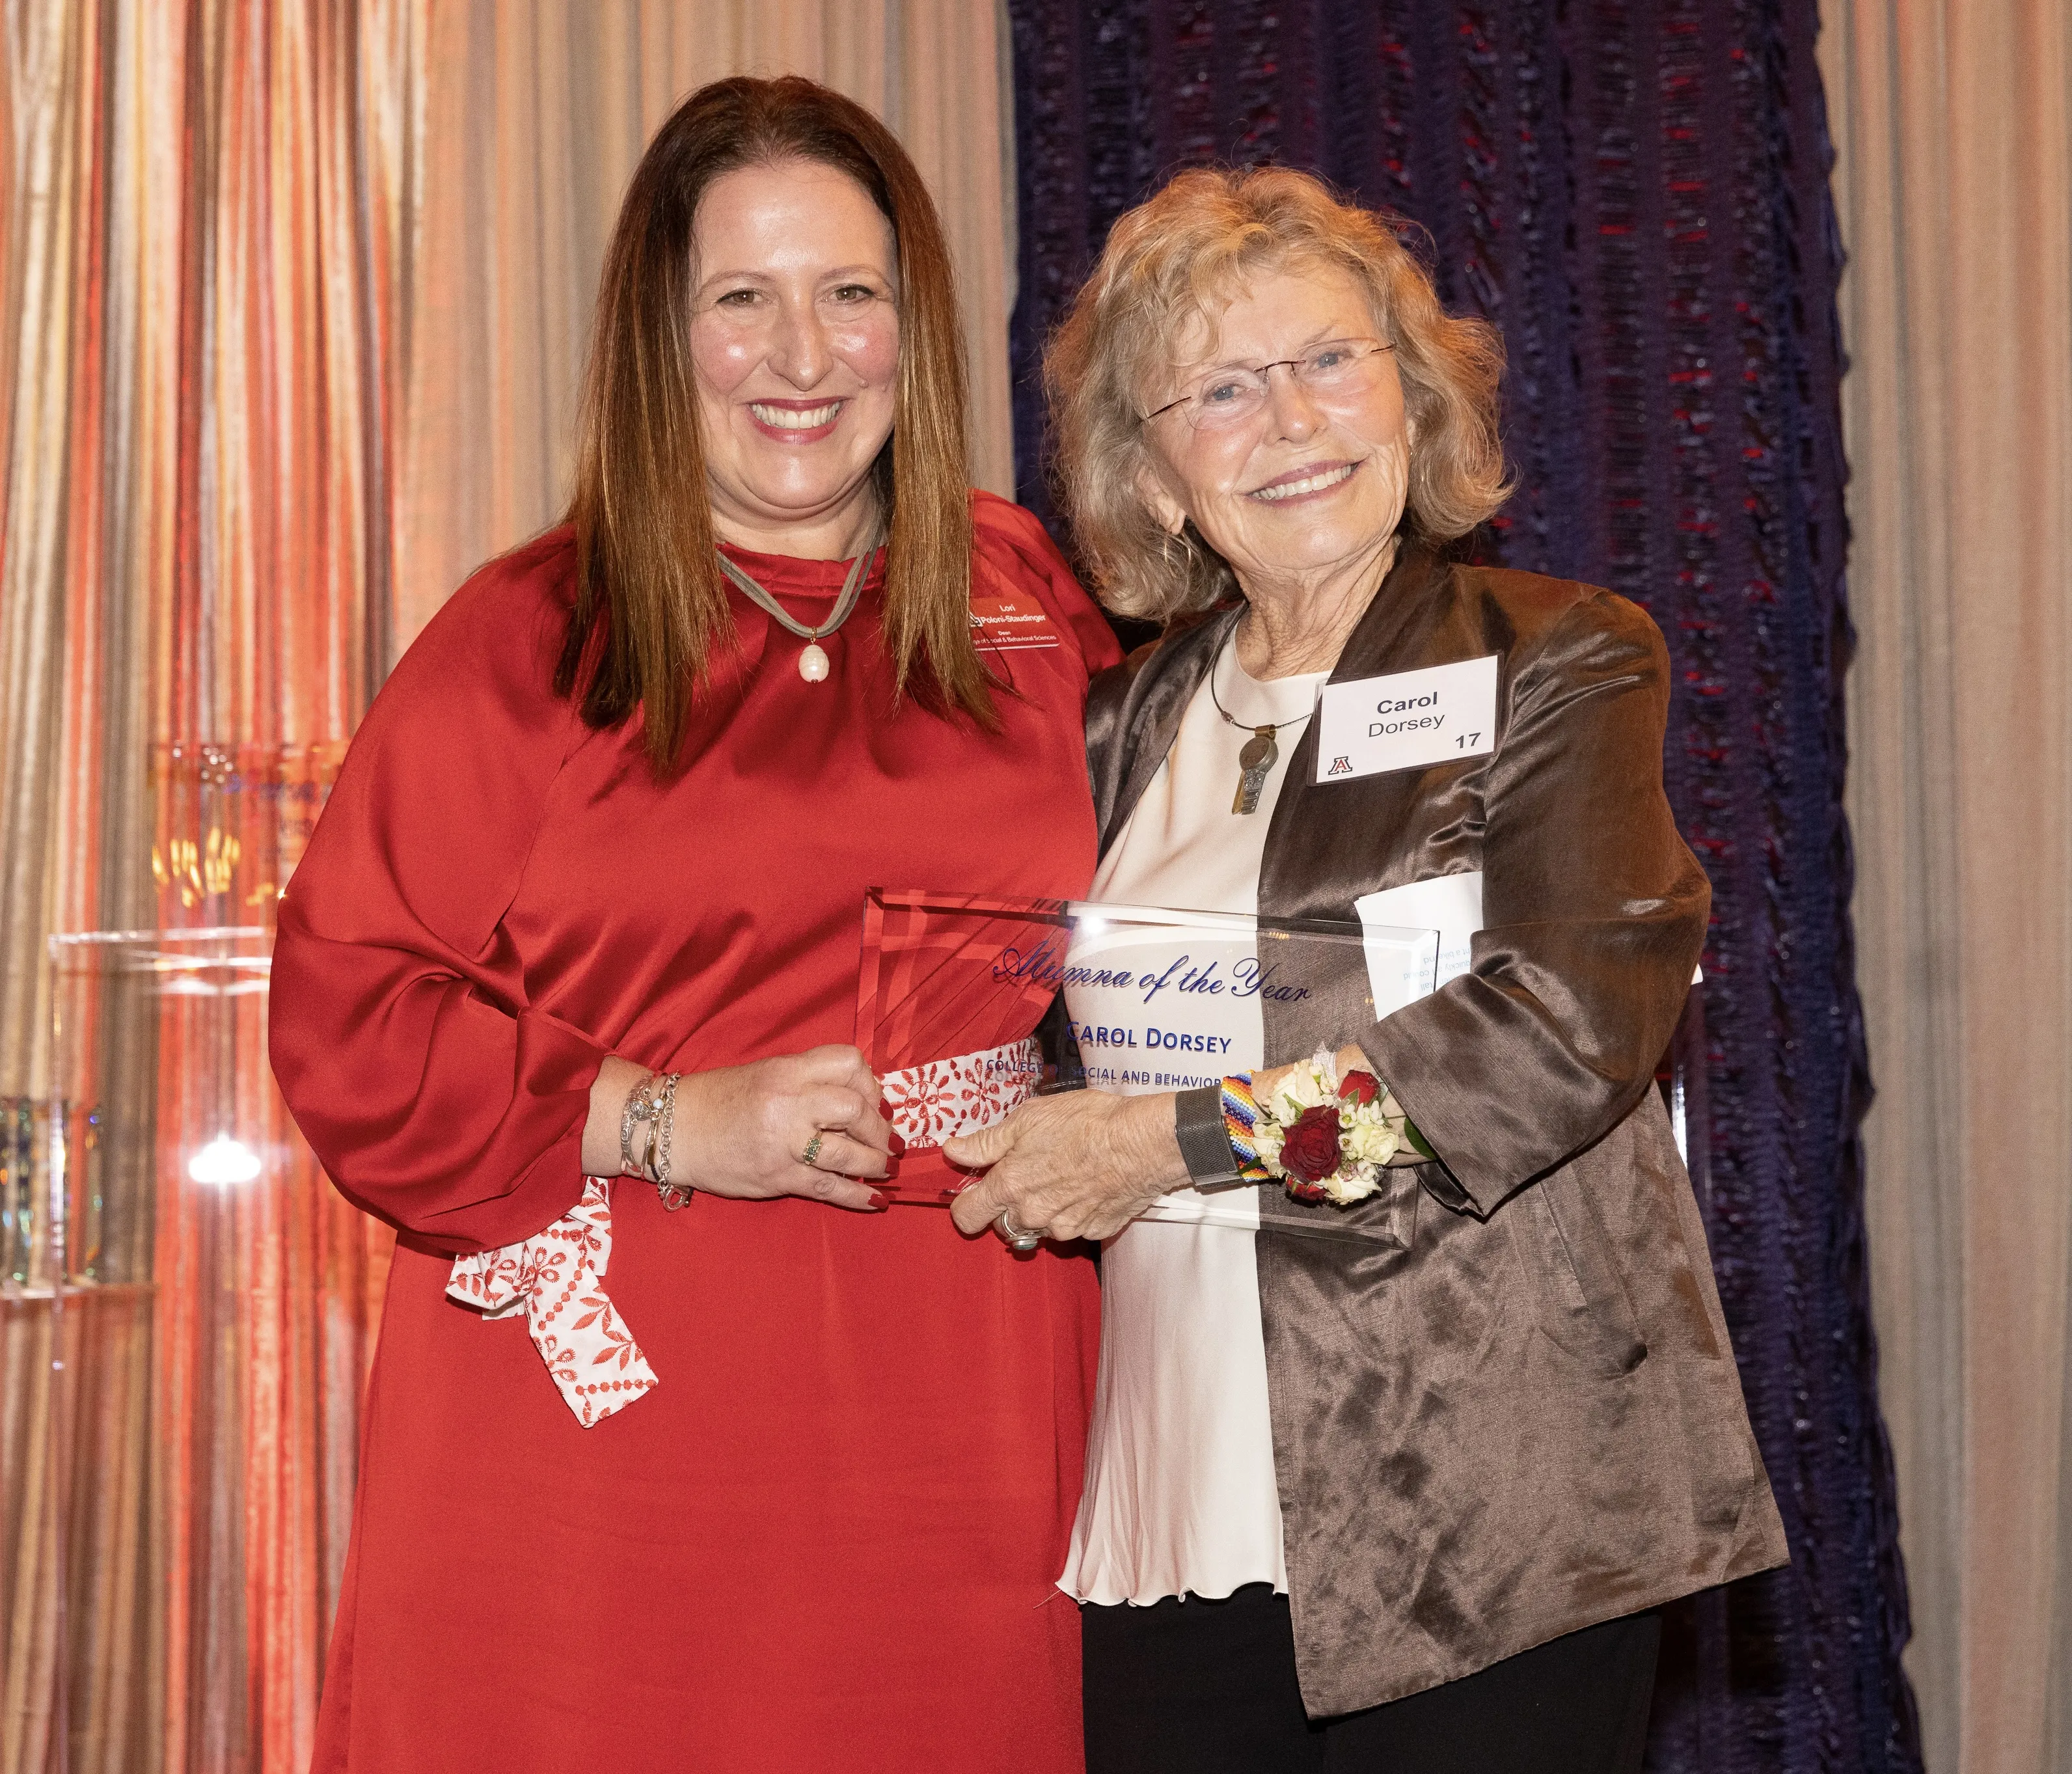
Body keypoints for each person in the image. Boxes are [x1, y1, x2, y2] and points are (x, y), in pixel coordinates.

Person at [271, 77, 1120, 1773]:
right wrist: (659, 1112)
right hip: (616, 1416)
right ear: (664, 337)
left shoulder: (1030, 608)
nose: (803, 353)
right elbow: (341, 1016)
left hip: (967, 1386)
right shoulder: (527, 641)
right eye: (742, 297)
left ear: (913, 323)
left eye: (850, 292)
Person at [947, 166, 1790, 1773]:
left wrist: (1161, 1143)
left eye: (1329, 361)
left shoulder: (1553, 653)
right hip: (1172, 1484)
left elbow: (1554, 1027)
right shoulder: (1111, 726)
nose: (1289, 420)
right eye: (1221, 387)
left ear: (1409, 400)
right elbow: (1040, 1021)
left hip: (1483, 1494)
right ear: (1153, 469)